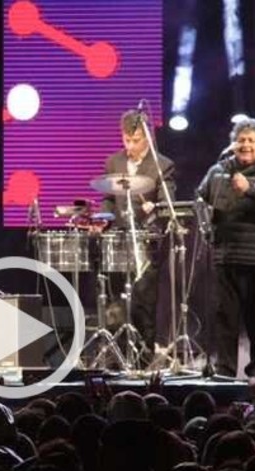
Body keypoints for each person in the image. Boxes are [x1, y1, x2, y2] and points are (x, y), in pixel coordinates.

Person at [195, 117, 255, 379]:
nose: (245, 144)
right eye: (241, 140)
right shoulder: (217, 171)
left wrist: (251, 188)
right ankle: (225, 370)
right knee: (225, 318)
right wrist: (205, 221)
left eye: (251, 140)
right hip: (225, 255)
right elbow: (200, 198)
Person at [100, 109, 176, 355]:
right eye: (126, 140)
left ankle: (143, 357)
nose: (130, 145)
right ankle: (116, 356)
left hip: (147, 241)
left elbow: (167, 203)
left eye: (136, 140)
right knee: (115, 300)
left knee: (143, 302)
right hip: (120, 239)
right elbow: (110, 200)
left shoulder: (163, 165)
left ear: (148, 138)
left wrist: (154, 207)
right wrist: (103, 219)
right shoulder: (114, 162)